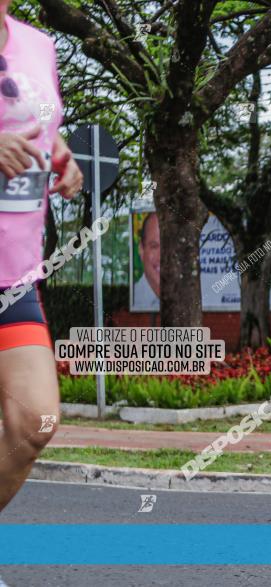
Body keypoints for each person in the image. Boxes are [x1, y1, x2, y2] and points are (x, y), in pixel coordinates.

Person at [0, 4, 83, 514]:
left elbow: (44, 125)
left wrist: (63, 157)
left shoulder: (37, 45)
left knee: (35, 422)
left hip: (12, 276)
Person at [133, 212, 161, 310]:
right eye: (154, 246)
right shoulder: (135, 298)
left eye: (169, 246)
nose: (162, 256)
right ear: (141, 249)